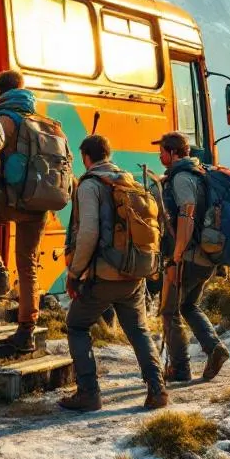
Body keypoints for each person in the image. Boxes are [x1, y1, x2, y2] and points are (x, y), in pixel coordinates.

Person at [61, 135, 169, 412]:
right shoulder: (127, 180)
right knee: (139, 330)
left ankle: (88, 394)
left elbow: (88, 234)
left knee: (76, 325)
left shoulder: (90, 185)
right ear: (108, 154)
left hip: (105, 275)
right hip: (134, 273)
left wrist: (75, 273)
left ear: (86, 157)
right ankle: (157, 390)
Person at [0, 70, 55, 352]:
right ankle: (26, 331)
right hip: (39, 203)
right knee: (28, 264)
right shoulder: (43, 121)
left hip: (12, 201)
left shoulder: (4, 120)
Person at [156, 131, 230, 383]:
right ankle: (214, 347)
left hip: (189, 257)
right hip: (206, 256)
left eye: (162, 152)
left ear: (172, 152)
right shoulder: (199, 173)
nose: (160, 156)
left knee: (169, 311)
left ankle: (180, 368)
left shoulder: (182, 178)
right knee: (188, 305)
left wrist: (177, 255)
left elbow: (186, 215)